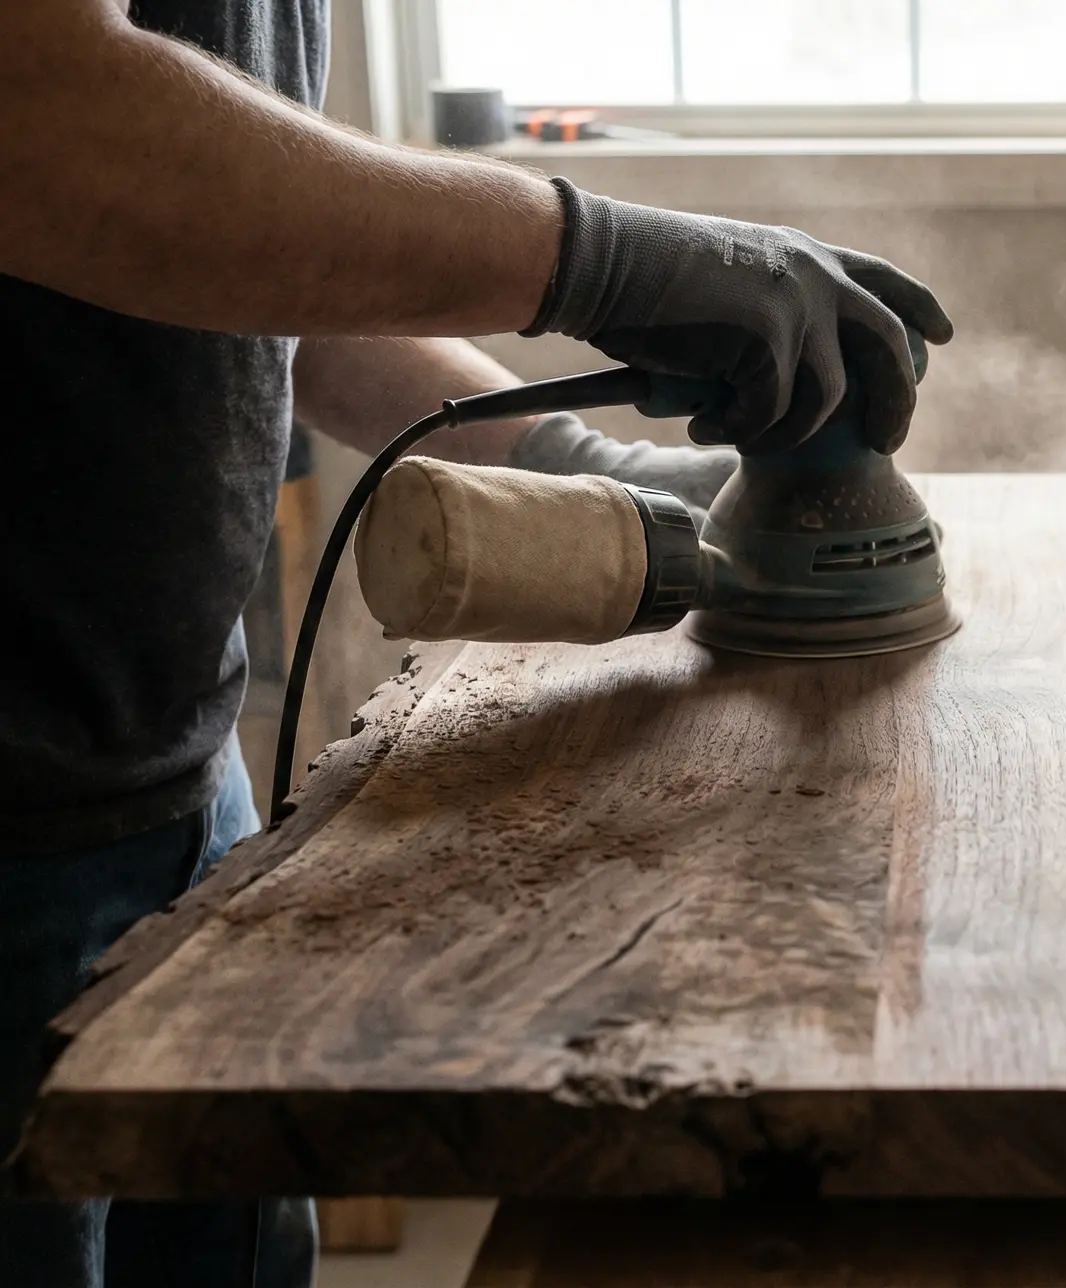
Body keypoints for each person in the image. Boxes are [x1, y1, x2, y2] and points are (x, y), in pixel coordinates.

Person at [0, 0, 953, 1281]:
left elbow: (241, 236)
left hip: (164, 762)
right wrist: (598, 254)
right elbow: (44, 123)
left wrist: (556, 455)